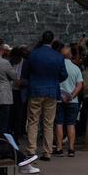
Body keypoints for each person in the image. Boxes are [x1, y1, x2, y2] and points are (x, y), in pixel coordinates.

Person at [24, 30, 67, 162]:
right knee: (49, 122)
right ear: (52, 40)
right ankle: (47, 151)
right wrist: (54, 80)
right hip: (51, 90)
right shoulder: (58, 56)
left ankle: (31, 149)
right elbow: (64, 75)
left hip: (36, 89)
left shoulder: (33, 54)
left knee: (33, 121)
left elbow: (25, 73)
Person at [54, 42, 84, 157]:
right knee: (71, 124)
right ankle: (71, 148)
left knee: (59, 124)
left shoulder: (58, 67)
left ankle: (59, 147)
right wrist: (72, 95)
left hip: (59, 100)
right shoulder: (76, 68)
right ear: (71, 55)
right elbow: (80, 85)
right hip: (73, 101)